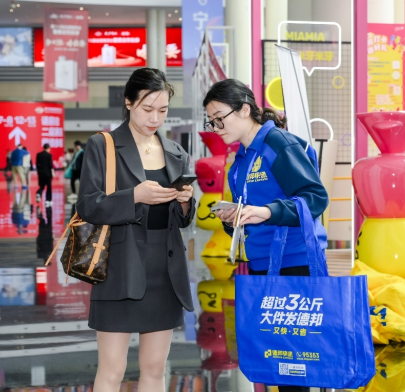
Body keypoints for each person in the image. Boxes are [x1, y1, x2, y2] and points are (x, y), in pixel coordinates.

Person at [204, 79, 329, 392]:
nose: (216, 127)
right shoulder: (240, 161)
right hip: (263, 264)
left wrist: (267, 211)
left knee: (294, 363)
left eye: (220, 117)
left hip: (294, 262)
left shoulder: (278, 144)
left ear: (245, 109)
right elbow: (250, 213)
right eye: (211, 121)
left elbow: (315, 198)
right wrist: (234, 218)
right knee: (280, 362)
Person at [76, 68, 196, 392]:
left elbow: (182, 220)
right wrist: (134, 196)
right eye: (147, 109)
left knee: (155, 369)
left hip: (165, 270)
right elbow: (87, 205)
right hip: (119, 266)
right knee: (112, 369)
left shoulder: (176, 152)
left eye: (163, 110)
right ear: (128, 102)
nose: (155, 118)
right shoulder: (102, 146)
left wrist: (186, 201)